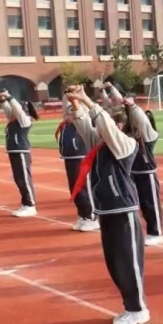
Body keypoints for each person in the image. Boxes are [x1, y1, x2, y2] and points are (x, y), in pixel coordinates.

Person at [66, 85, 149, 324]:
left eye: (106, 126)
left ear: (118, 126)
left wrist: (88, 101)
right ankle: (130, 306)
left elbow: (104, 127)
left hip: (123, 210)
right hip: (106, 212)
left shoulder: (126, 145)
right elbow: (85, 127)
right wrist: (76, 105)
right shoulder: (100, 145)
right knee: (115, 263)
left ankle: (138, 309)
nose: (99, 130)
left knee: (129, 263)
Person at [112, 90, 163, 246]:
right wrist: (120, 100)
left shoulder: (149, 136)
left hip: (146, 174)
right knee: (139, 204)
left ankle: (156, 232)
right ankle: (143, 231)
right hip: (133, 174)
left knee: (151, 204)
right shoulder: (129, 136)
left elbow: (142, 122)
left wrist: (134, 107)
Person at [55, 94, 99, 231]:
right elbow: (66, 107)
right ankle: (83, 214)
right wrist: (67, 96)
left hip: (80, 155)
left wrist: (77, 98)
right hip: (70, 157)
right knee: (74, 188)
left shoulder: (82, 119)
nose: (68, 113)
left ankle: (92, 216)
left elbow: (83, 113)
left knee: (84, 187)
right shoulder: (66, 123)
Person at [0, 89, 39, 217]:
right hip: (14, 152)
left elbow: (17, 109)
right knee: (19, 179)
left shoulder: (24, 120)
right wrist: (2, 99)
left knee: (24, 179)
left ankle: (30, 205)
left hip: (21, 152)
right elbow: (8, 109)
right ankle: (26, 203)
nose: (12, 111)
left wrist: (9, 96)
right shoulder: (13, 120)